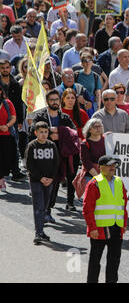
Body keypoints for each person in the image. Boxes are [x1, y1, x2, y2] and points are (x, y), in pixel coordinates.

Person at [29, 90, 77, 221]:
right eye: (52, 100)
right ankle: (41, 211)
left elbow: (74, 132)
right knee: (42, 184)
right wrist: (51, 132)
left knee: (55, 184)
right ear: (47, 101)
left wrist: (60, 132)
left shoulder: (64, 117)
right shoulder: (40, 116)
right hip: (42, 156)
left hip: (59, 156)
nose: (55, 102)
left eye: (56, 99)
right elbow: (33, 130)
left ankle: (48, 209)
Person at [83, 155, 128, 283]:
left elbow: (123, 204)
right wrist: (92, 228)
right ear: (100, 167)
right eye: (109, 165)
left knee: (114, 261)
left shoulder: (119, 182)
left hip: (116, 227)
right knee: (95, 261)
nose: (112, 168)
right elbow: (87, 209)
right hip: (99, 229)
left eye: (114, 165)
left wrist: (124, 224)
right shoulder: (94, 183)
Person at [25, 121, 59, 244]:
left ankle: (41, 231)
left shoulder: (52, 145)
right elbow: (29, 164)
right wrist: (40, 178)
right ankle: (38, 233)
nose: (44, 135)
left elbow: (56, 163)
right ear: (36, 133)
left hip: (49, 181)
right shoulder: (32, 146)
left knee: (44, 206)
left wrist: (51, 177)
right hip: (36, 181)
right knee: (38, 206)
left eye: (45, 132)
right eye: (41, 132)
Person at [0, 85, 18, 191]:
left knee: (7, 158)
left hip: (7, 135)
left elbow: (13, 117)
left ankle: (3, 176)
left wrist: (6, 126)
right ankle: (1, 180)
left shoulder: (8, 103)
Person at [74, 52, 102, 116]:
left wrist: (98, 107)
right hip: (79, 103)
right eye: (85, 61)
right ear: (82, 63)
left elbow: (98, 93)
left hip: (91, 103)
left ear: (92, 62)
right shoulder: (76, 75)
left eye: (90, 60)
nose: (87, 63)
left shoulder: (95, 76)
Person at [80, 118, 105, 183]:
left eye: (99, 126)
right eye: (95, 127)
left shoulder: (106, 140)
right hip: (91, 177)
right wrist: (98, 177)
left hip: (106, 175)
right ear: (89, 130)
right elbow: (87, 163)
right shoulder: (85, 144)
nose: (98, 129)